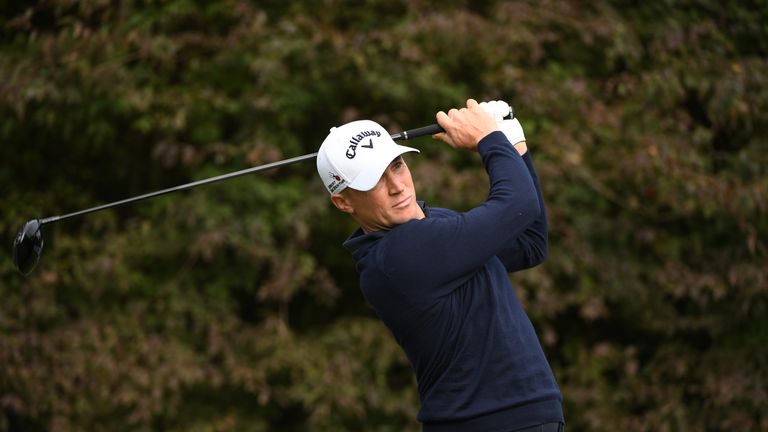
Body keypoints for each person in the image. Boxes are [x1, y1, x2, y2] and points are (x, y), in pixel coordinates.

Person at [316, 99, 564, 432]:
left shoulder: (433, 227)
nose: (397, 185)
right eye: (374, 181)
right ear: (343, 202)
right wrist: (490, 138)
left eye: (397, 165)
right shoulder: (398, 255)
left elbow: (529, 244)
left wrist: (513, 142)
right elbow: (517, 203)